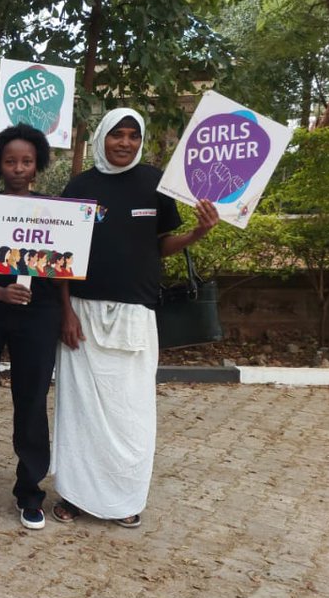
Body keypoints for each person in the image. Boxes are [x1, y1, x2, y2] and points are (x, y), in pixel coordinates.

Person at [52, 108, 218, 527]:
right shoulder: (80, 187)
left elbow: (161, 245)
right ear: (102, 138)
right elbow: (63, 259)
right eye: (116, 135)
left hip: (136, 314)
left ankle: (125, 499)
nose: (124, 143)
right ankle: (73, 495)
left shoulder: (154, 184)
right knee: (80, 411)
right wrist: (66, 311)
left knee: (131, 413)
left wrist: (198, 234)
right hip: (83, 316)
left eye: (132, 135)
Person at [0, 124, 62, 530]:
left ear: (37, 163)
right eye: (10, 161)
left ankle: (29, 489)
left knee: (32, 400)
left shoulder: (56, 211)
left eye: (26, 161)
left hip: (39, 316)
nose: (18, 168)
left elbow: (65, 267)